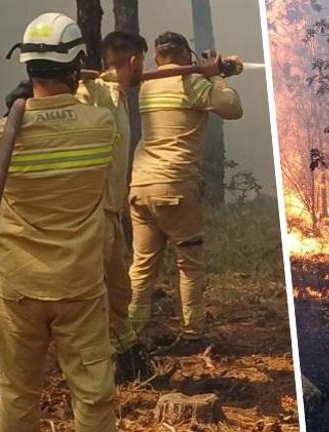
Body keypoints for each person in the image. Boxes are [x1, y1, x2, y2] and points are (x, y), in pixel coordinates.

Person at [0, 13, 117, 431]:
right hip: (80, 286)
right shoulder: (100, 126)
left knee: (17, 392)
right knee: (92, 395)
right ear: (75, 68)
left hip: (20, 286)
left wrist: (17, 113)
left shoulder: (1, 135)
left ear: (26, 69)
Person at [127, 31, 243, 341]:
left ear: (156, 58)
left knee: (142, 266)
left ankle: (131, 334)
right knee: (189, 263)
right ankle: (193, 333)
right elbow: (232, 107)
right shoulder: (191, 83)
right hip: (176, 186)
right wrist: (215, 77)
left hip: (140, 186)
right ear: (186, 56)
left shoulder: (147, 83)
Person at [76, 30, 149, 381]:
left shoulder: (118, 96)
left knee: (120, 291)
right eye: (142, 64)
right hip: (91, 215)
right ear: (134, 62)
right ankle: (97, 369)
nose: (143, 72)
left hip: (111, 213)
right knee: (95, 294)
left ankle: (127, 353)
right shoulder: (91, 93)